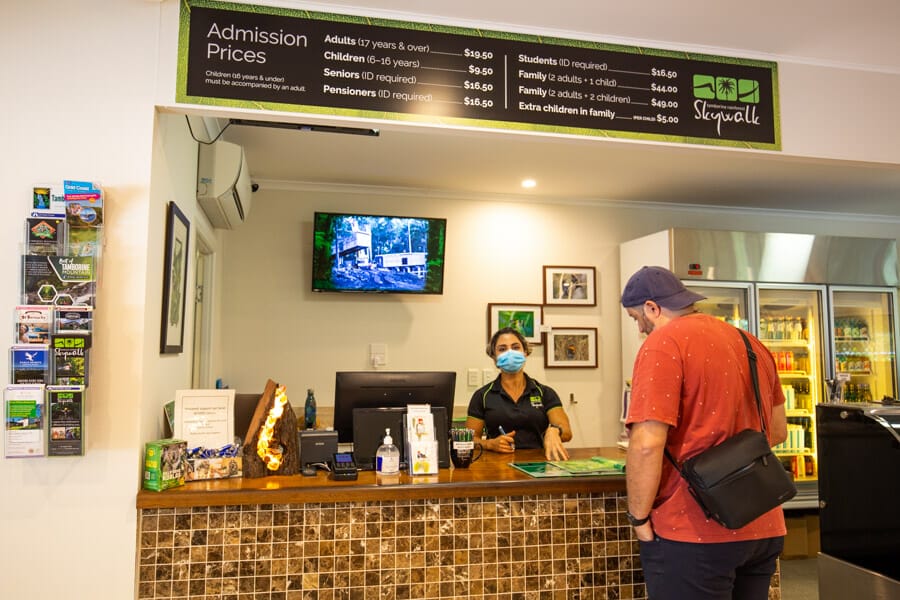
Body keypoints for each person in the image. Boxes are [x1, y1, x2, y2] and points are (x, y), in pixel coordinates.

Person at [620, 266, 788, 600]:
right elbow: (778, 431)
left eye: (637, 318)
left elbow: (646, 445)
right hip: (763, 523)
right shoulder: (750, 342)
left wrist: (638, 518)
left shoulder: (662, 344)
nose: (639, 328)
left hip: (694, 530)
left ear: (652, 308)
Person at [466, 327, 573, 461]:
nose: (510, 353)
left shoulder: (544, 392)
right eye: (502, 349)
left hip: (538, 464)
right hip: (497, 465)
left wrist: (555, 431)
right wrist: (490, 444)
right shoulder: (482, 395)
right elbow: (469, 439)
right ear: (494, 357)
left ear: (525, 352)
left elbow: (567, 432)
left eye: (516, 347)